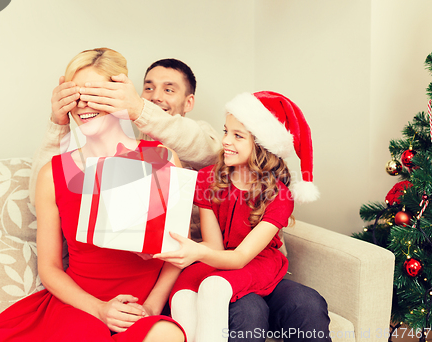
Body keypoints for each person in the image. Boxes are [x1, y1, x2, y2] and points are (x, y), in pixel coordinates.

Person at [28, 58, 331, 342]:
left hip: (235, 262)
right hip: (196, 263)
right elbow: (52, 186)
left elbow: (198, 146)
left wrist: (139, 109)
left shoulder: (202, 140)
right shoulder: (121, 148)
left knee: (305, 302)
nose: (156, 97)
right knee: (247, 310)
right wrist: (60, 122)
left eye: (169, 89)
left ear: (189, 103)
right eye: (148, 88)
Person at [0, 48, 185, 342]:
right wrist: (99, 309)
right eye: (76, 95)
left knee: (168, 334)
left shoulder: (162, 158)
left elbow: (178, 250)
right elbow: (50, 269)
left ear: (120, 94)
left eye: (94, 93)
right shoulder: (52, 174)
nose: (83, 105)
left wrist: (151, 306)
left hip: (141, 307)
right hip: (80, 305)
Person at [152, 91, 318, 342]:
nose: (225, 141)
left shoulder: (278, 195)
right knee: (183, 295)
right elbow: (214, 246)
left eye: (238, 136)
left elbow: (240, 258)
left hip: (256, 262)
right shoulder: (208, 178)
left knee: (217, 286)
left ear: (263, 146)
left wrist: (197, 253)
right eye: (226, 131)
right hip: (217, 259)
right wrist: (193, 252)